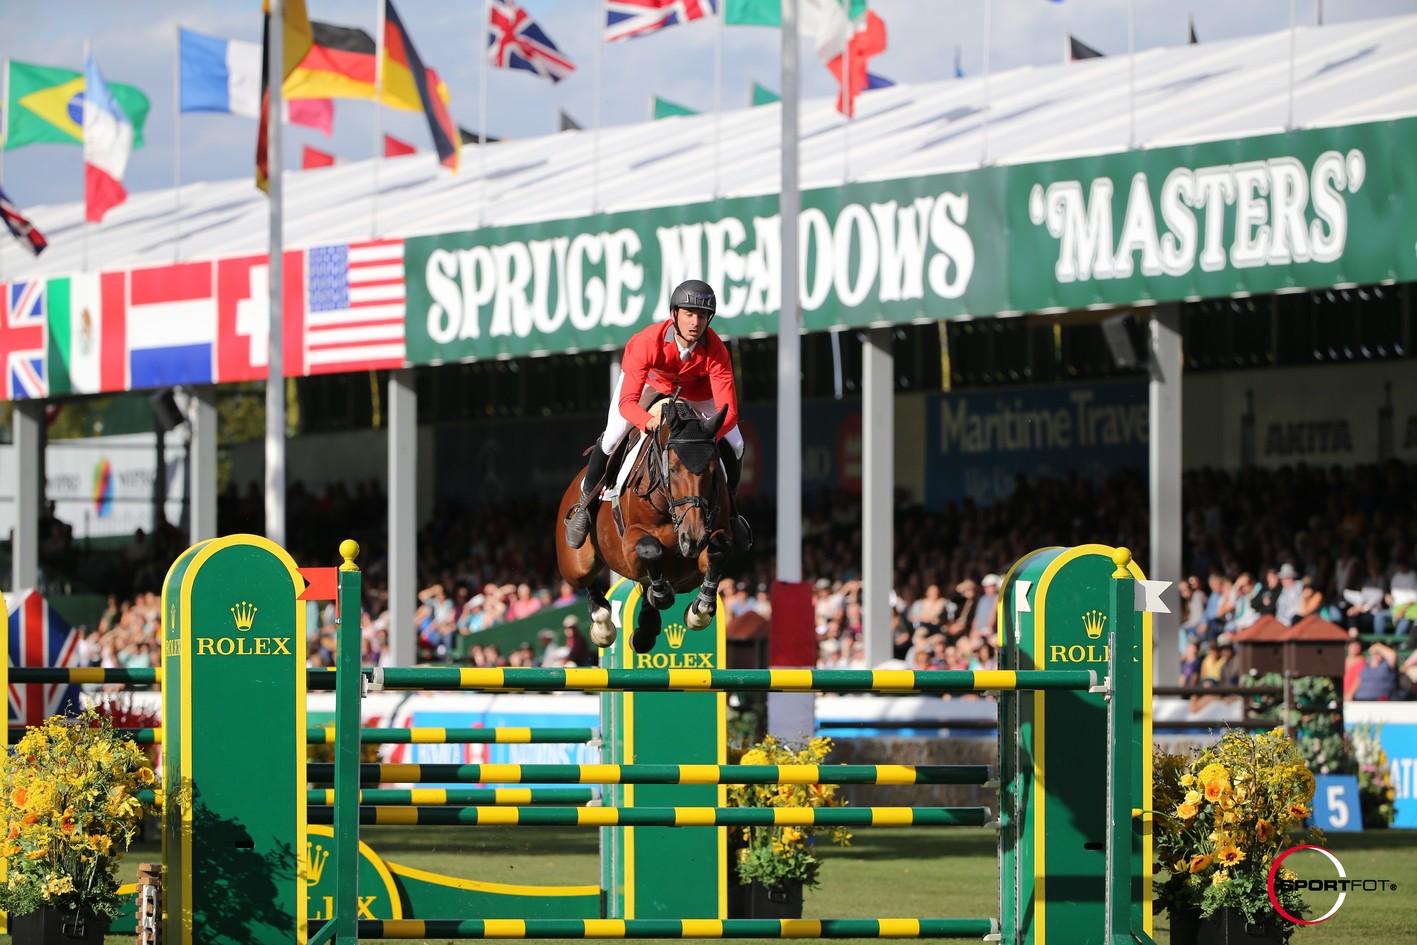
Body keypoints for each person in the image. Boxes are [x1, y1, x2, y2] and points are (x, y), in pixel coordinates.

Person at [563, 280, 750, 551]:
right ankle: (586, 505)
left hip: (697, 392)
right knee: (612, 437)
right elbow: (627, 403)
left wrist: (704, 438)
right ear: (674, 314)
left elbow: (728, 412)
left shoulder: (717, 350)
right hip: (650, 384)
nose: (695, 322)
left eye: (701, 316)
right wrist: (647, 422)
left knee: (737, 443)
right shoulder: (647, 342)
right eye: (688, 314)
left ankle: (731, 513)